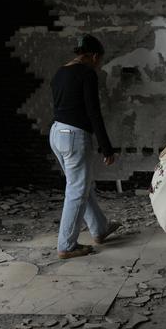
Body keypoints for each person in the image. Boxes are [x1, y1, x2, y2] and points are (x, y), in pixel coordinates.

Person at [49, 34, 120, 260]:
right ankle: (66, 245)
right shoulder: (87, 73)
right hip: (74, 135)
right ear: (94, 56)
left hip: (56, 132)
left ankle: (99, 228)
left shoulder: (60, 72)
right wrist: (106, 147)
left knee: (81, 185)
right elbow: (93, 112)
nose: (98, 65)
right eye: (99, 60)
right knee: (77, 190)